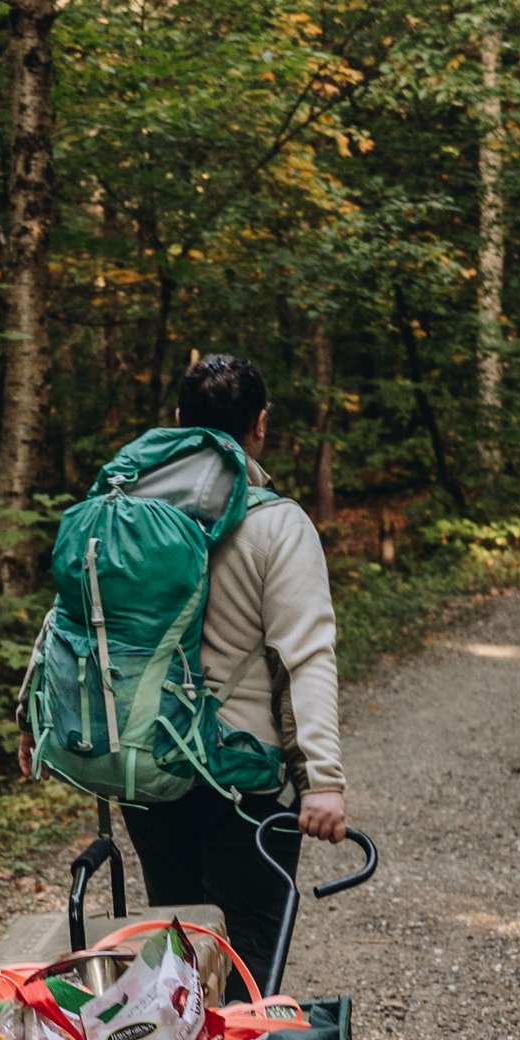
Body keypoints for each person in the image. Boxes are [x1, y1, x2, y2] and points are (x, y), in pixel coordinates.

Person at [120, 351, 347, 993]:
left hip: (147, 773)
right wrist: (322, 782)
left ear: (176, 422)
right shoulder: (277, 525)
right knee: (246, 963)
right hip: (243, 785)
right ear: (261, 425)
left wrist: (34, 718)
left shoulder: (129, 516)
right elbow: (305, 657)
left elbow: (79, 623)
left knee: (179, 957)